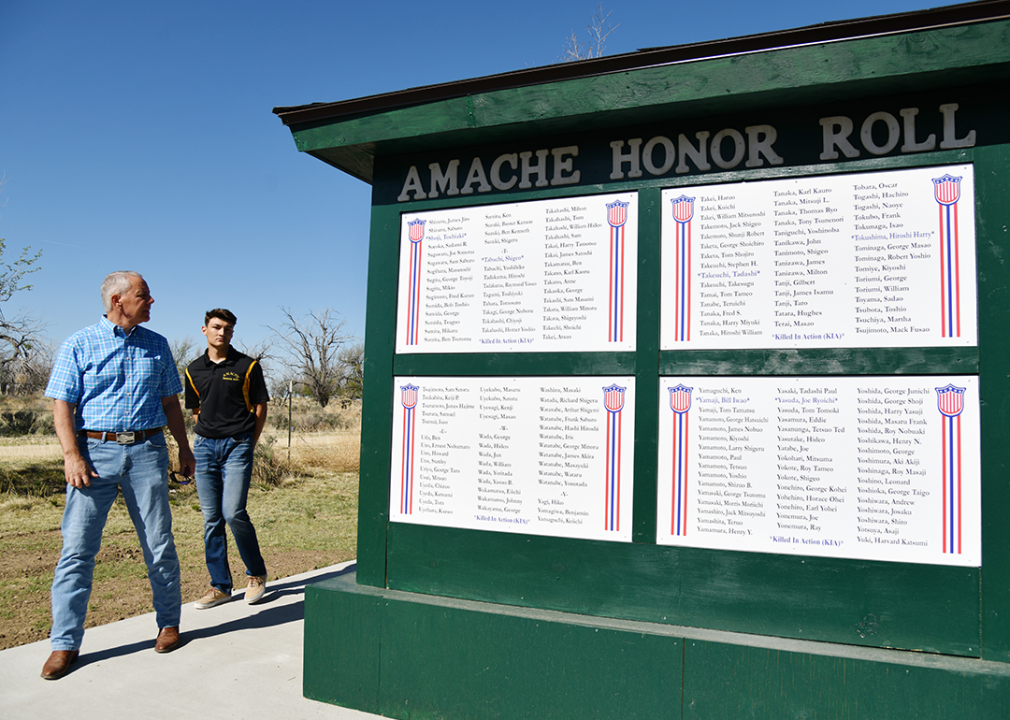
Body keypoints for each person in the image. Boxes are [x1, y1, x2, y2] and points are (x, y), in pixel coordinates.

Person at [41, 271, 194, 680]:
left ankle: (168, 623)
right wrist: (71, 455)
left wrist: (183, 447)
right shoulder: (78, 343)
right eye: (144, 295)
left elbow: (170, 402)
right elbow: (62, 406)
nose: (151, 301)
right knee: (77, 549)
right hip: (94, 454)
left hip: (147, 451)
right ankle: (64, 643)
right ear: (117, 300)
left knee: (159, 541)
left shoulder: (157, 345)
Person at [185, 309, 269, 610]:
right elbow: (196, 410)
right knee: (211, 518)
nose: (222, 333)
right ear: (205, 329)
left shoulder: (247, 366)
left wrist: (249, 441)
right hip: (205, 447)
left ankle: (256, 573)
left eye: (228, 329)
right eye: (217, 327)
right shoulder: (192, 369)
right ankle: (220, 585)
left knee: (233, 512)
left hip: (237, 446)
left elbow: (260, 406)